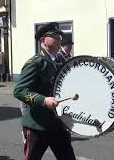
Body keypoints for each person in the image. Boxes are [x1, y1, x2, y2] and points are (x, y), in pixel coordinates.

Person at [13, 22, 76, 160]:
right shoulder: (36, 63)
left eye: (60, 35)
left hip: (57, 123)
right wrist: (44, 100)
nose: (59, 38)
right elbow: (19, 90)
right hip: (37, 125)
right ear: (43, 40)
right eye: (54, 35)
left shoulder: (59, 60)